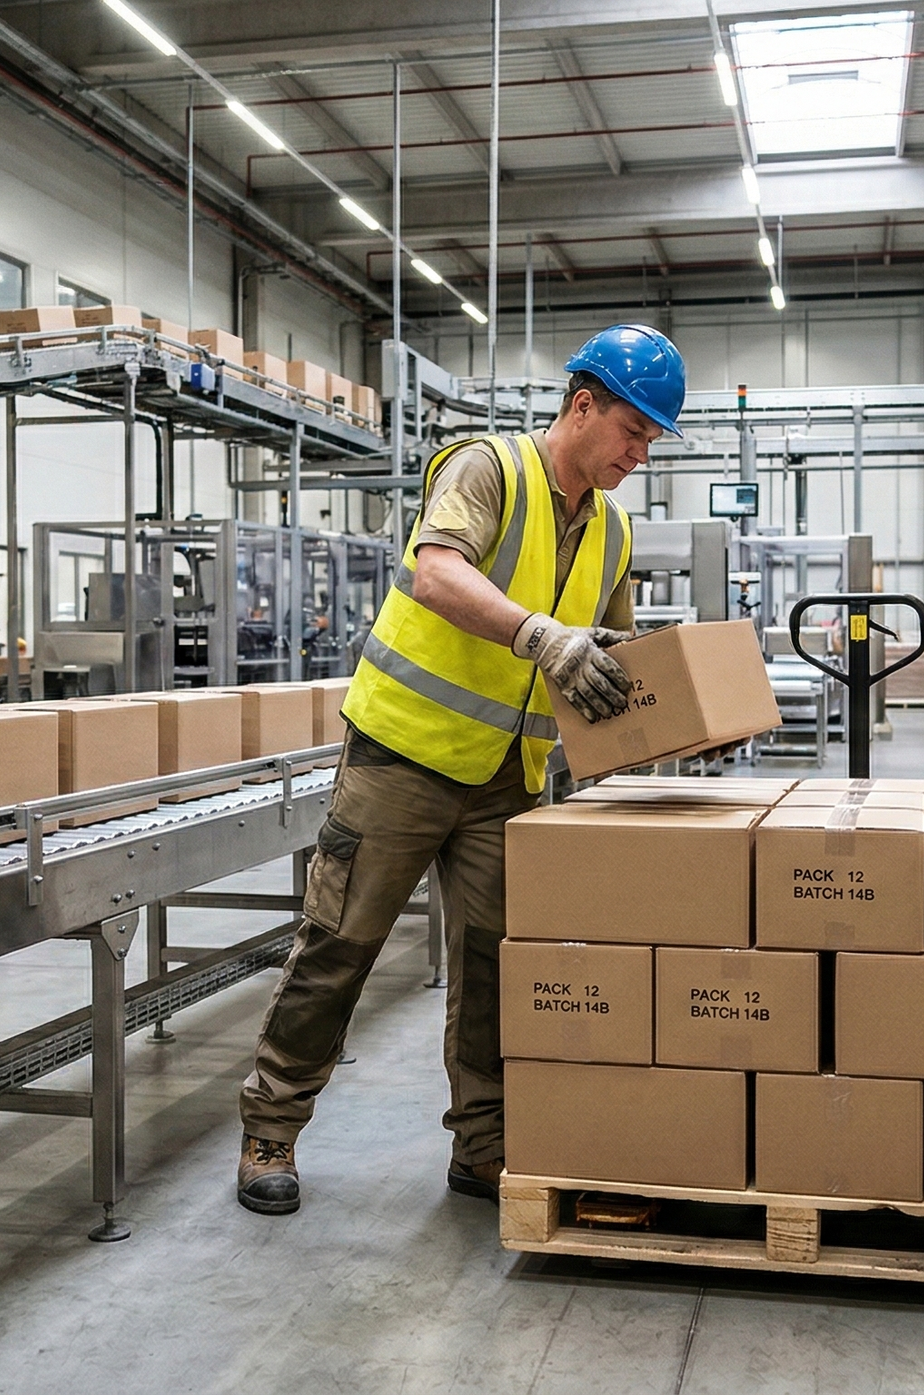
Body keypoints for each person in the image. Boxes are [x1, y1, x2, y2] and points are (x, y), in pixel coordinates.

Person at [232, 324, 685, 1216]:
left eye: (652, 441)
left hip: (509, 777)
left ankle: (484, 1145)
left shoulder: (615, 529)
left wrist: (673, 709)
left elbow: (616, 652)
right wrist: (540, 634)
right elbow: (436, 572)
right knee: (340, 945)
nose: (640, 453)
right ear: (582, 405)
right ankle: (269, 1128)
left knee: (493, 968)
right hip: (403, 756)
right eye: (633, 430)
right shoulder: (488, 468)